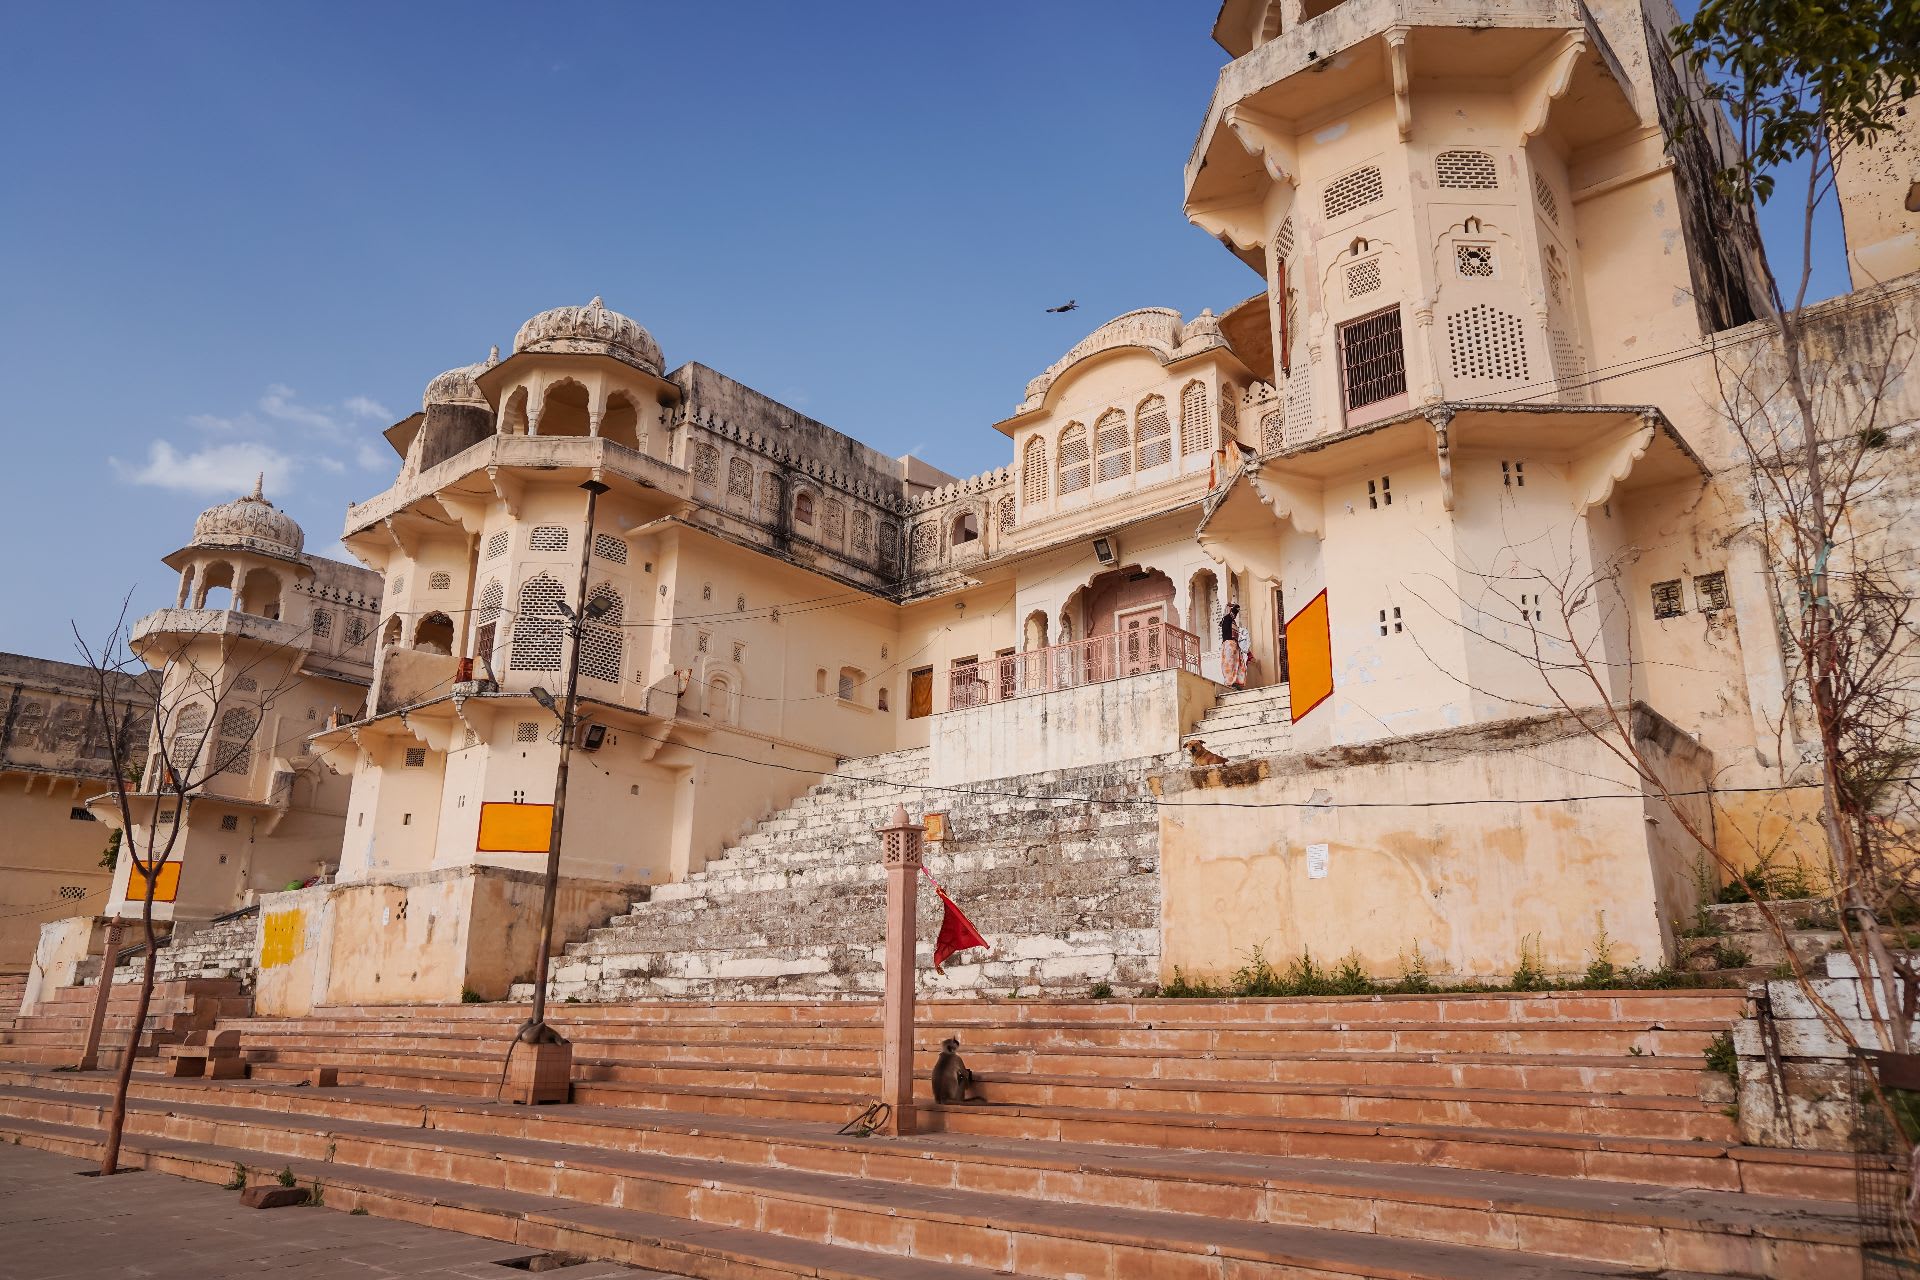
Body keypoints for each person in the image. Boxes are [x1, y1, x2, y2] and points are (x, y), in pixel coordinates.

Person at [1220, 602, 1248, 689]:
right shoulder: (1228, 619)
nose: (1235, 615)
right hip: (1230, 645)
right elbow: (1237, 607)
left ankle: (1234, 682)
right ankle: (1231, 683)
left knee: (1233, 664)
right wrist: (1232, 605)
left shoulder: (1228, 619)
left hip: (1230, 645)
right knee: (1231, 664)